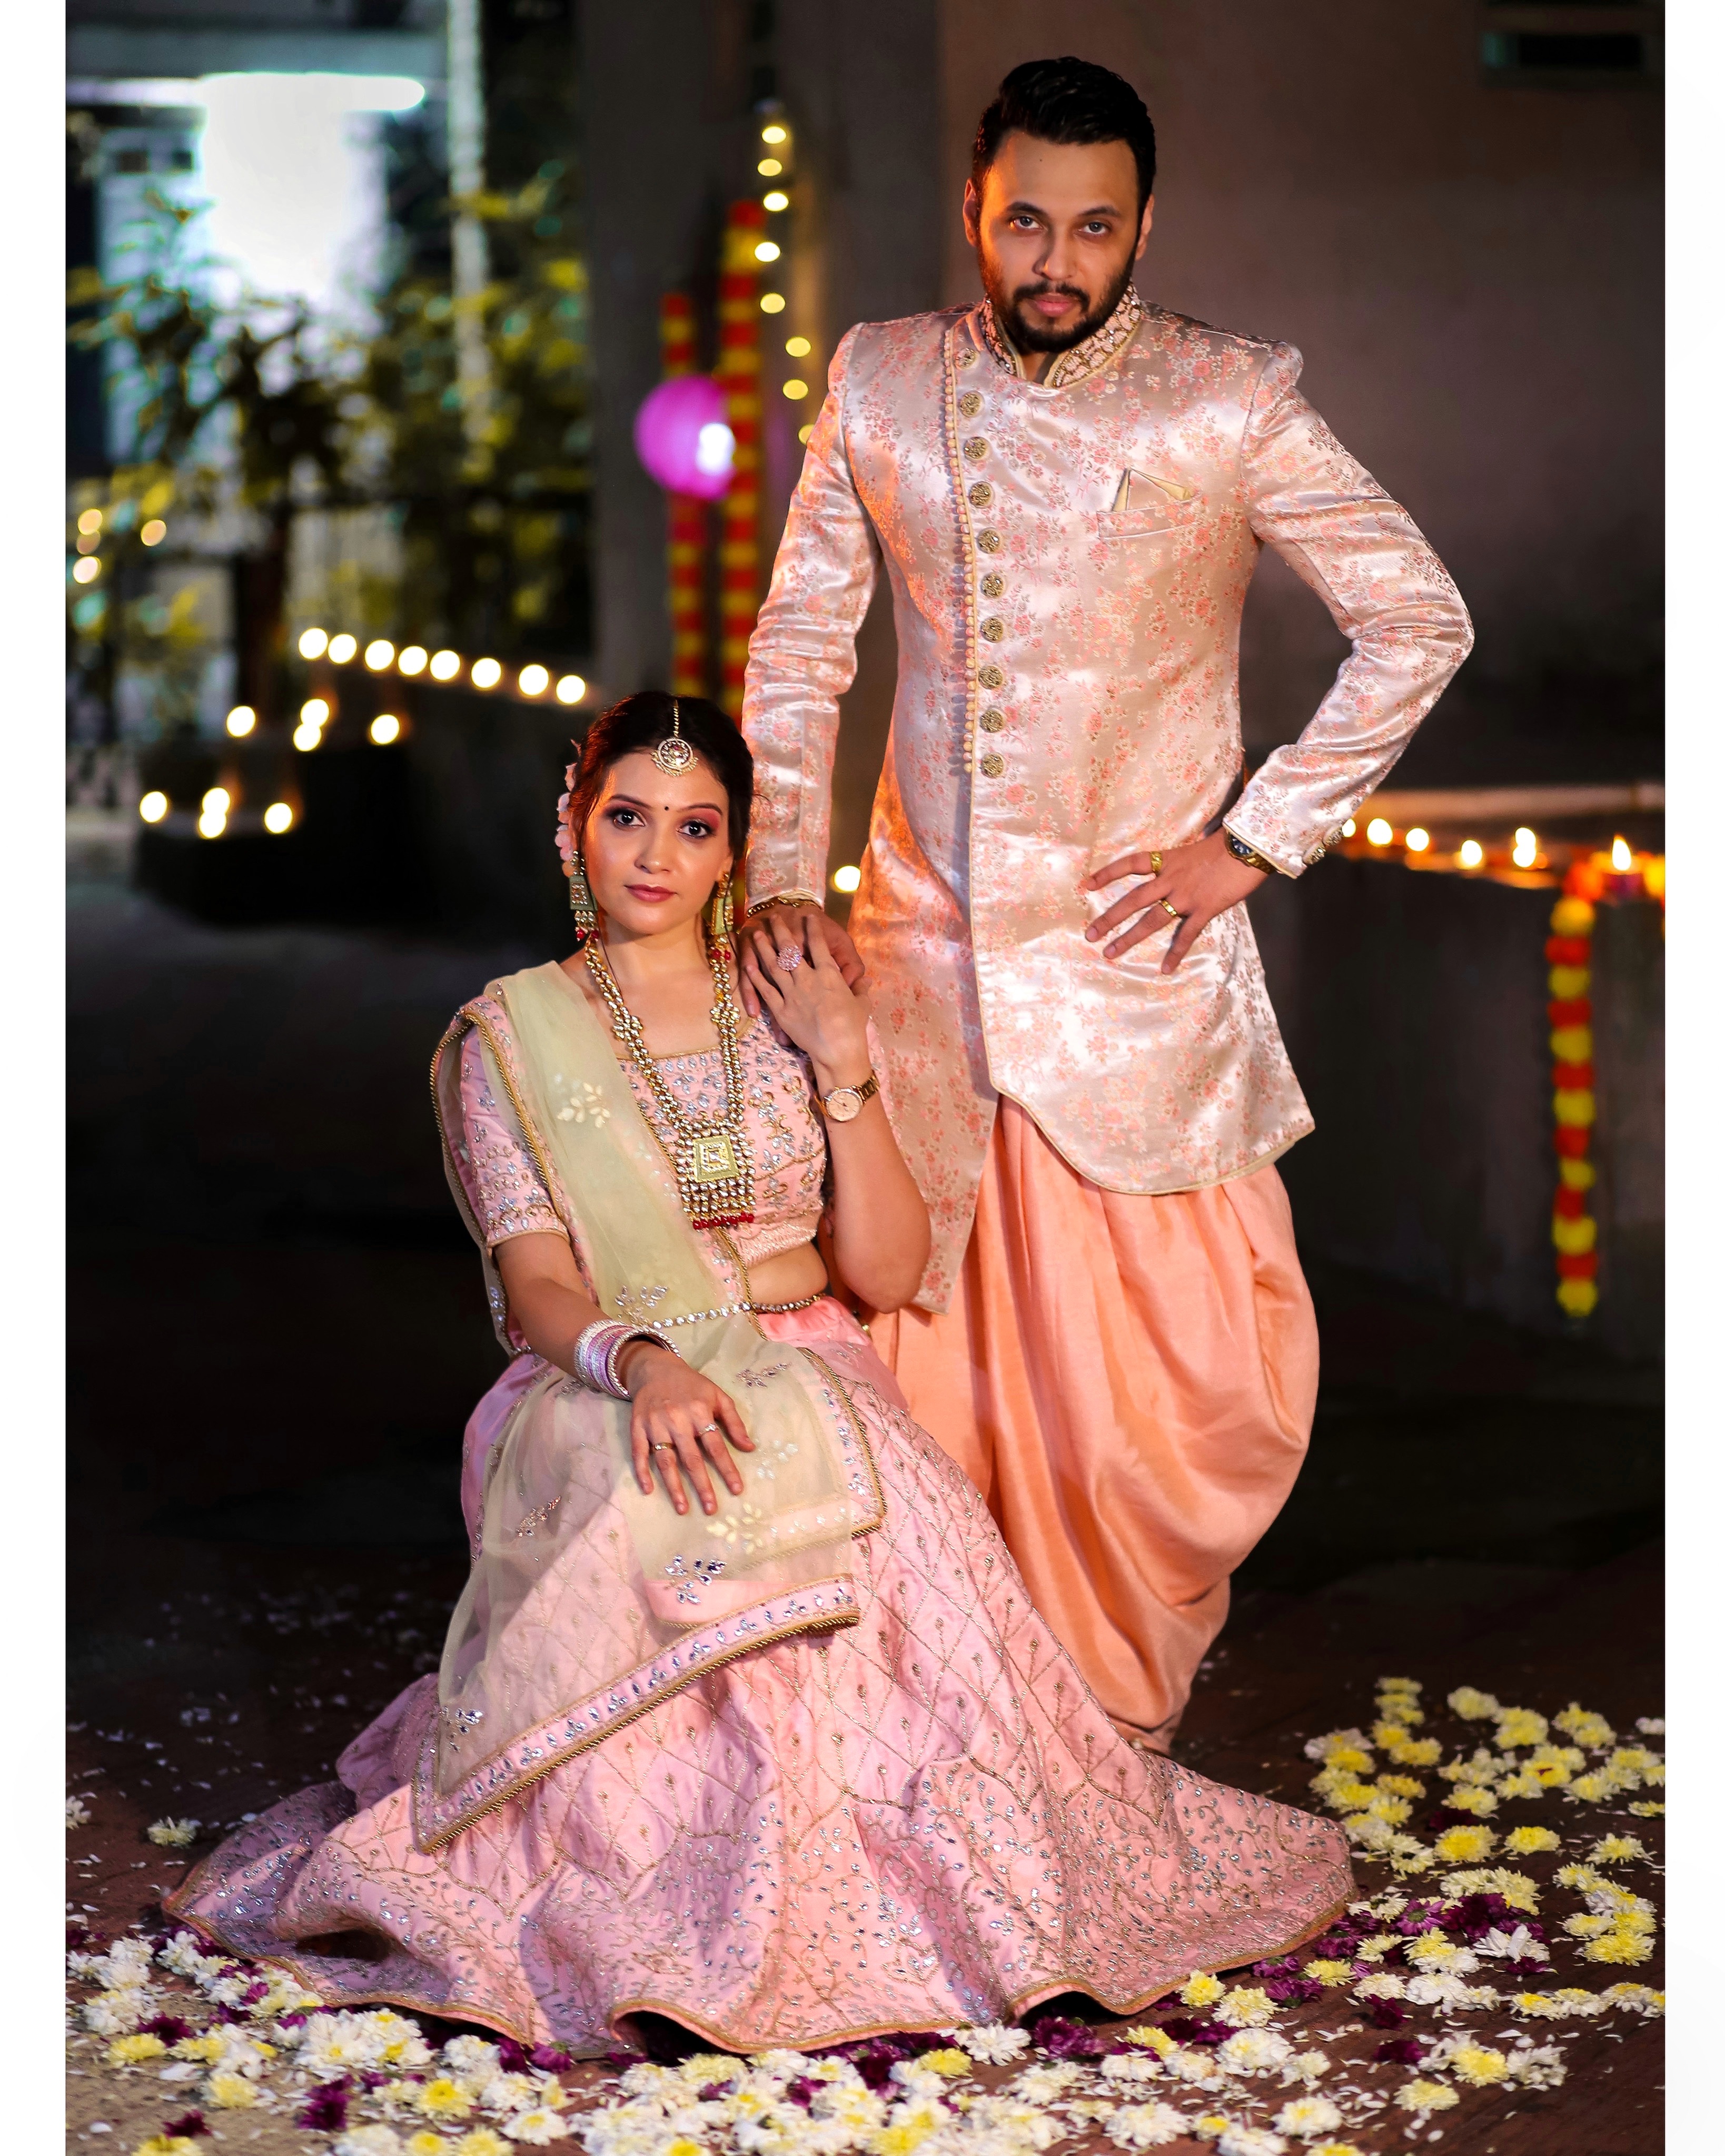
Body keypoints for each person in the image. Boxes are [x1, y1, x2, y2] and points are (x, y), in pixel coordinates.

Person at [167, 693, 1351, 2054]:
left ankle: (888, 1899)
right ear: (573, 825)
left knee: (883, 1515)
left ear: (735, 851)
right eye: (627, 817)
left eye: (696, 827)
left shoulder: (792, 1004)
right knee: (661, 1491)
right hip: (612, 1376)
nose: (655, 855)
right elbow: (538, 1280)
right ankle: (680, 1897)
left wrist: (846, 1065)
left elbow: (886, 1269)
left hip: (810, 1358)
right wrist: (645, 1364)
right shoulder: (512, 1038)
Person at [740, 56, 1474, 1753]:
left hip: (1132, 978)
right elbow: (798, 646)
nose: (1054, 260)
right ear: (973, 211)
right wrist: (783, 882)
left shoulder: (1227, 398)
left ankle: (1089, 1732)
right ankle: (939, 1732)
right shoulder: (880, 376)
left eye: (1091, 227)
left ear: (1145, 224)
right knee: (913, 1373)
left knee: (1172, 1403)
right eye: (1024, 223)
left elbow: (1415, 617)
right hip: (913, 971)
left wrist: (1255, 840)